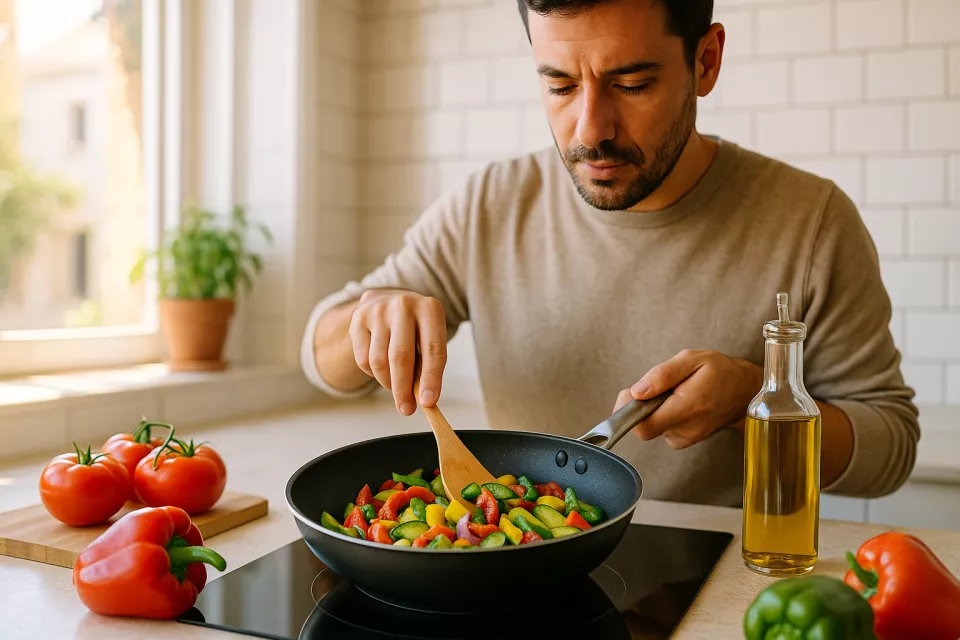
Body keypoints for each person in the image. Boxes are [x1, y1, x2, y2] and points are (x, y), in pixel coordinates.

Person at [300, 0, 919, 506]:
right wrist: (367, 321)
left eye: (632, 83)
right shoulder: (490, 204)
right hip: (524, 571)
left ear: (705, 61)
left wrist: (757, 402)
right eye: (560, 86)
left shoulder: (811, 221)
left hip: (710, 587)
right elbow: (320, 359)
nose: (590, 129)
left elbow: (889, 448)